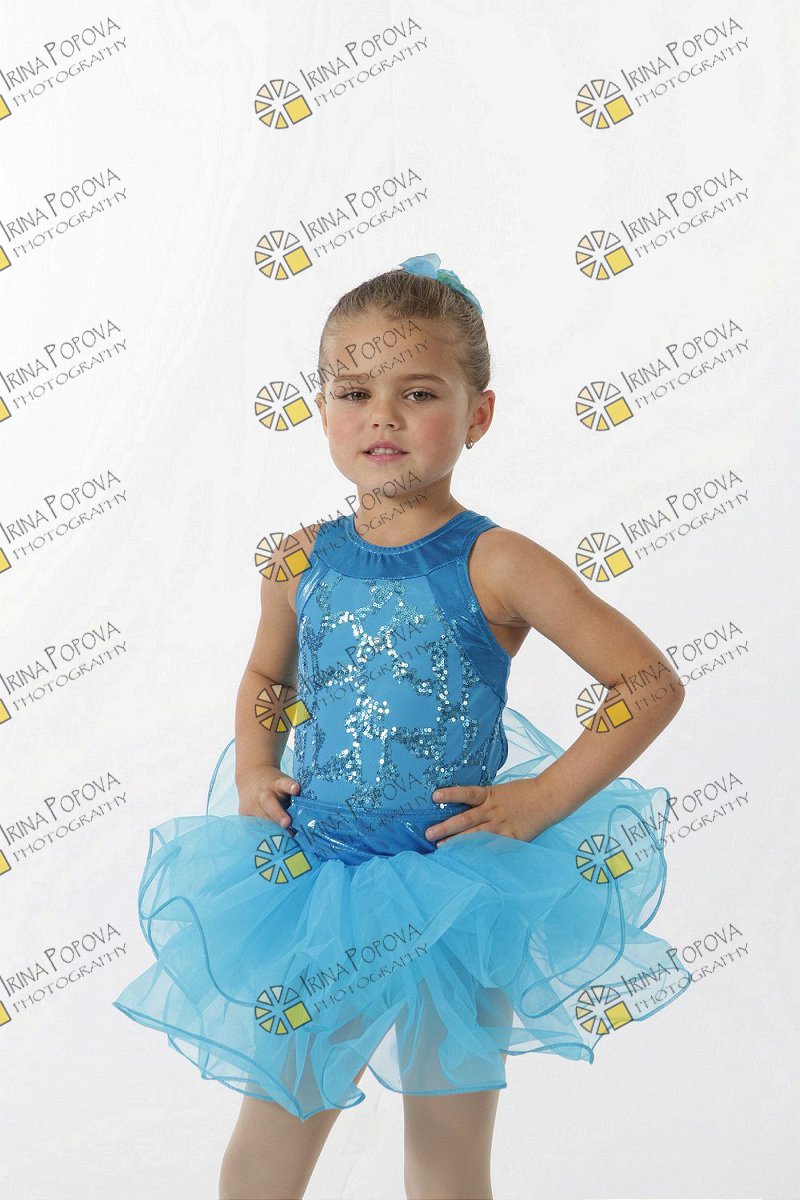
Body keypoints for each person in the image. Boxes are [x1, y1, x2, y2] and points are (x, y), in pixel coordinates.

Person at [113, 252, 693, 1200]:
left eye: (418, 392)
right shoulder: (298, 560)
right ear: (323, 410)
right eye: (355, 392)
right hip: (322, 882)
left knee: (449, 1155)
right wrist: (256, 763)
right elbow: (268, 675)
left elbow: (646, 682)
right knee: (269, 1140)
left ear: (478, 414)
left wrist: (541, 800)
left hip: (461, 892)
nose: (382, 415)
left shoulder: (497, 561)